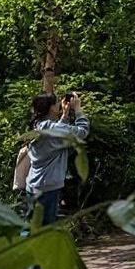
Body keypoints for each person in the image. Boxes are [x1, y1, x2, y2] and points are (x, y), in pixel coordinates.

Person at [23, 90, 88, 225]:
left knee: (30, 226)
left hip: (33, 185)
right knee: (45, 229)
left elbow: (57, 132)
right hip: (48, 187)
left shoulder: (38, 125)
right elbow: (82, 132)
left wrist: (64, 115)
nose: (59, 103)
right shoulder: (53, 130)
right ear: (51, 107)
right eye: (56, 102)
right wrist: (78, 110)